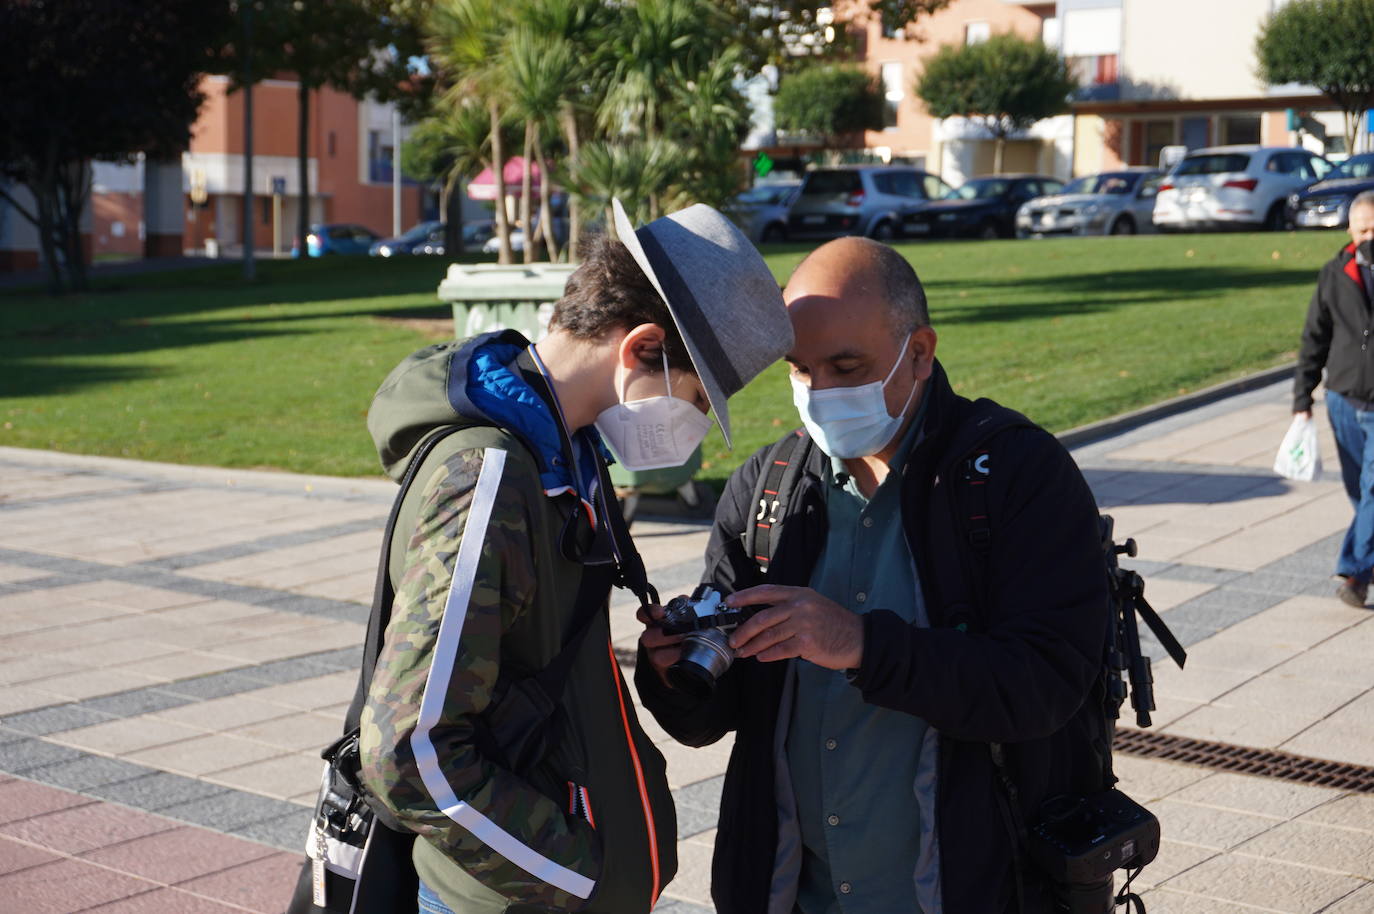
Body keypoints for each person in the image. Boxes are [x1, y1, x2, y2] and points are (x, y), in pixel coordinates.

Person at [636, 236, 1111, 913]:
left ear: (919, 352)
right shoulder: (766, 486)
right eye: (800, 369)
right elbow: (722, 716)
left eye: (846, 366)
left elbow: (1043, 685)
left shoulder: (1015, 476)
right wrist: (675, 672)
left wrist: (861, 644)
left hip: (968, 889)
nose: (819, 392)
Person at [358, 199, 794, 914]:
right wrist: (571, 873)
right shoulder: (491, 480)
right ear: (641, 349)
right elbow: (406, 751)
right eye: (693, 396)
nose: (691, 425)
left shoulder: (563, 451)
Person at [1294, 189, 1374, 608]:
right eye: (1363, 229)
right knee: (1360, 494)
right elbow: (1315, 335)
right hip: (1343, 399)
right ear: (1349, 229)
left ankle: (1353, 572)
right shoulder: (1334, 273)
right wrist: (1301, 394)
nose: (1369, 237)